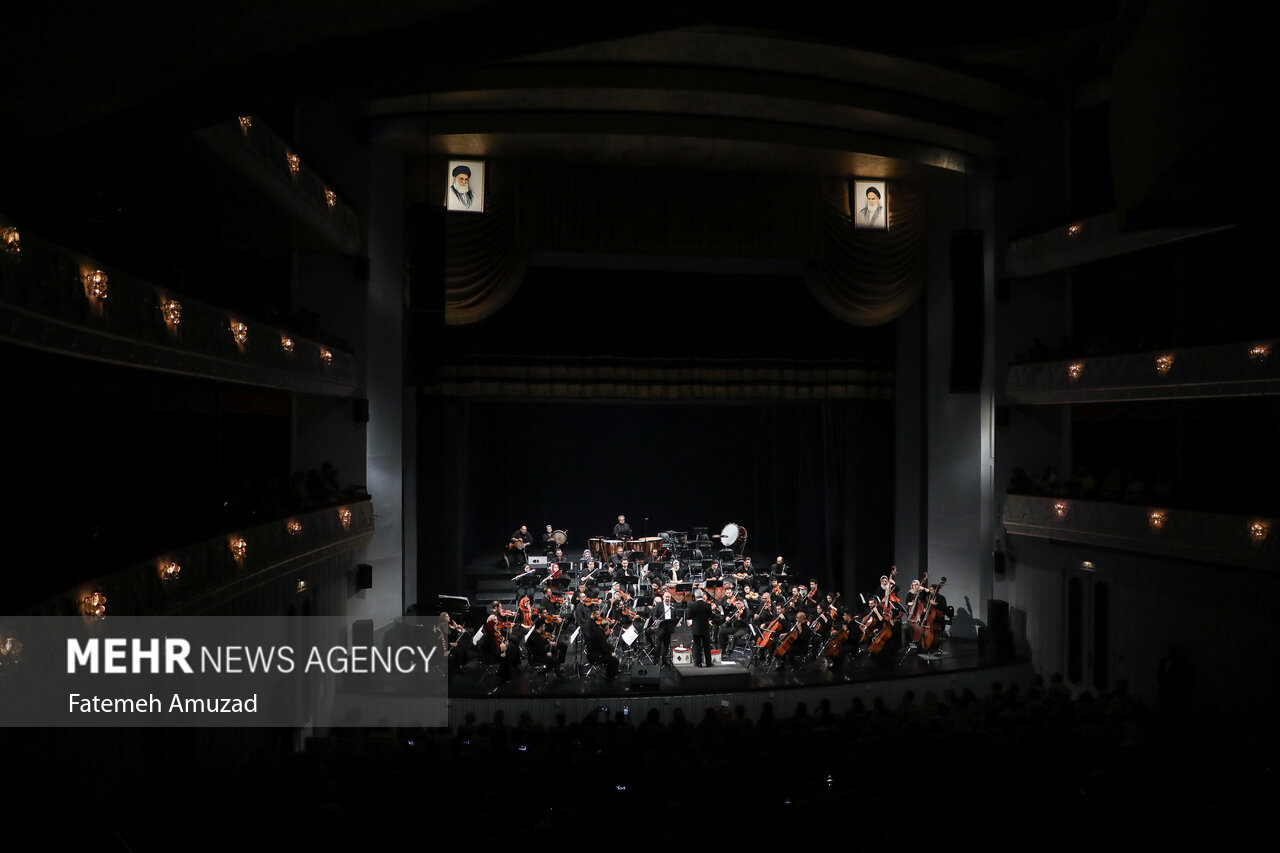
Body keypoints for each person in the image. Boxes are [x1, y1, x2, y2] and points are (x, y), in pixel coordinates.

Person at [687, 588, 713, 667]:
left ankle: (698, 662)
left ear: (695, 596)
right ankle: (708, 662)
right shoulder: (707, 605)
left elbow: (688, 616)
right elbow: (710, 616)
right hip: (705, 628)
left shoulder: (692, 605)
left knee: (697, 645)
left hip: (696, 628)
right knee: (706, 645)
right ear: (702, 595)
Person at [650, 591, 678, 666]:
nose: (667, 598)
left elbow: (675, 617)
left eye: (669, 597)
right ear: (663, 597)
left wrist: (677, 623)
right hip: (660, 628)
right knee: (658, 646)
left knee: (666, 645)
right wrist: (656, 621)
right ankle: (656, 662)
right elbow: (654, 615)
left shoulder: (672, 606)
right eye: (666, 597)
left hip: (669, 629)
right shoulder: (659, 605)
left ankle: (664, 660)